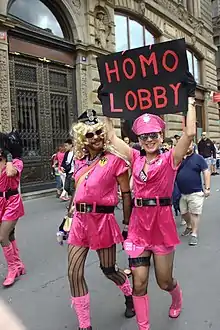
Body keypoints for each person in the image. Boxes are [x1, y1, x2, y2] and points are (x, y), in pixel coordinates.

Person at [99, 71, 196, 330]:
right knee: (139, 283)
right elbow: (110, 137)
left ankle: (176, 298)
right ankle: (144, 327)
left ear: (161, 136)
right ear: (139, 139)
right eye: (144, 136)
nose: (150, 139)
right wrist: (106, 106)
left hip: (162, 226)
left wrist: (188, 97)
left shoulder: (170, 160)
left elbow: (188, 133)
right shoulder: (135, 158)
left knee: (164, 282)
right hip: (139, 228)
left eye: (154, 135)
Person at [67, 109, 135, 330]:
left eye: (98, 132)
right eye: (89, 134)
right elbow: (78, 192)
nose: (95, 137)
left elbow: (126, 194)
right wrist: (67, 217)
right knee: (73, 273)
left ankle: (129, 295)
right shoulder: (78, 161)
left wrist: (127, 223)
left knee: (108, 270)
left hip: (102, 220)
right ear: (81, 138)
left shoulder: (115, 160)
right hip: (79, 221)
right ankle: (84, 325)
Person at [0, 130, 25, 287]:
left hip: (12, 201)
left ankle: (12, 269)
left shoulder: (16, 162)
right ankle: (19, 264)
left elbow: (10, 173)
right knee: (11, 235)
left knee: (2, 237)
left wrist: (9, 156)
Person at [176, 141, 210, 245]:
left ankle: (194, 234)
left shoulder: (198, 158)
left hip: (195, 192)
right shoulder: (179, 158)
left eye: (189, 144)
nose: (186, 146)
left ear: (192, 145)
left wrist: (207, 187)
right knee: (184, 213)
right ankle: (189, 226)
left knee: (195, 213)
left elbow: (206, 171)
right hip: (182, 192)